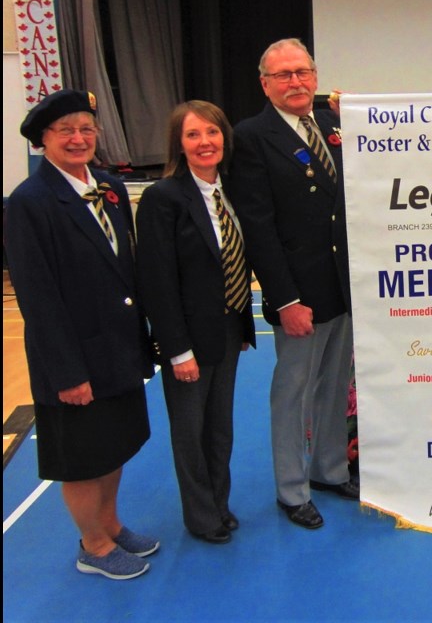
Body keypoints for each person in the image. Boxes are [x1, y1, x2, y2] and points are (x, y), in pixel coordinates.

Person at [5, 89, 158, 579]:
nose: (78, 138)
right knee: (82, 457)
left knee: (115, 443)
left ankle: (110, 524)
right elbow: (38, 297)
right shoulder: (30, 201)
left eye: (86, 129)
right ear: (43, 140)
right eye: (65, 130)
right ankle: (92, 544)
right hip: (74, 357)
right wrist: (67, 373)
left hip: (118, 349)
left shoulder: (109, 188)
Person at [229, 37, 355, 530]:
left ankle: (328, 470)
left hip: (343, 287)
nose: (296, 82)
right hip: (298, 296)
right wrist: (285, 300)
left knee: (334, 387)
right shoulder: (252, 136)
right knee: (293, 393)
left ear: (316, 77)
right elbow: (257, 227)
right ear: (265, 84)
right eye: (283, 75)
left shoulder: (332, 124)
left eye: (302, 72)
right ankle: (290, 489)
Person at [135, 101, 256, 544]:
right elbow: (157, 282)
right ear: (179, 144)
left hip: (226, 332)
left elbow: (234, 263)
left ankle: (220, 505)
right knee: (190, 433)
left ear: (224, 137)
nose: (205, 142)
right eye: (193, 135)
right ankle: (201, 516)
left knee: (219, 427)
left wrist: (241, 328)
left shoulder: (229, 192)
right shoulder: (162, 199)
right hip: (186, 339)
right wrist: (177, 349)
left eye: (212, 132)